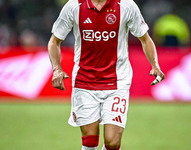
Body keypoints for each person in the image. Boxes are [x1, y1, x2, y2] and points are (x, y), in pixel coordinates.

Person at [48, 0, 165, 149]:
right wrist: (57, 69)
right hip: (84, 82)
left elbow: (145, 39)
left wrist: (155, 65)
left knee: (113, 142)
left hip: (117, 81)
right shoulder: (74, 6)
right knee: (90, 142)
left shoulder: (126, 5)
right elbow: (54, 41)